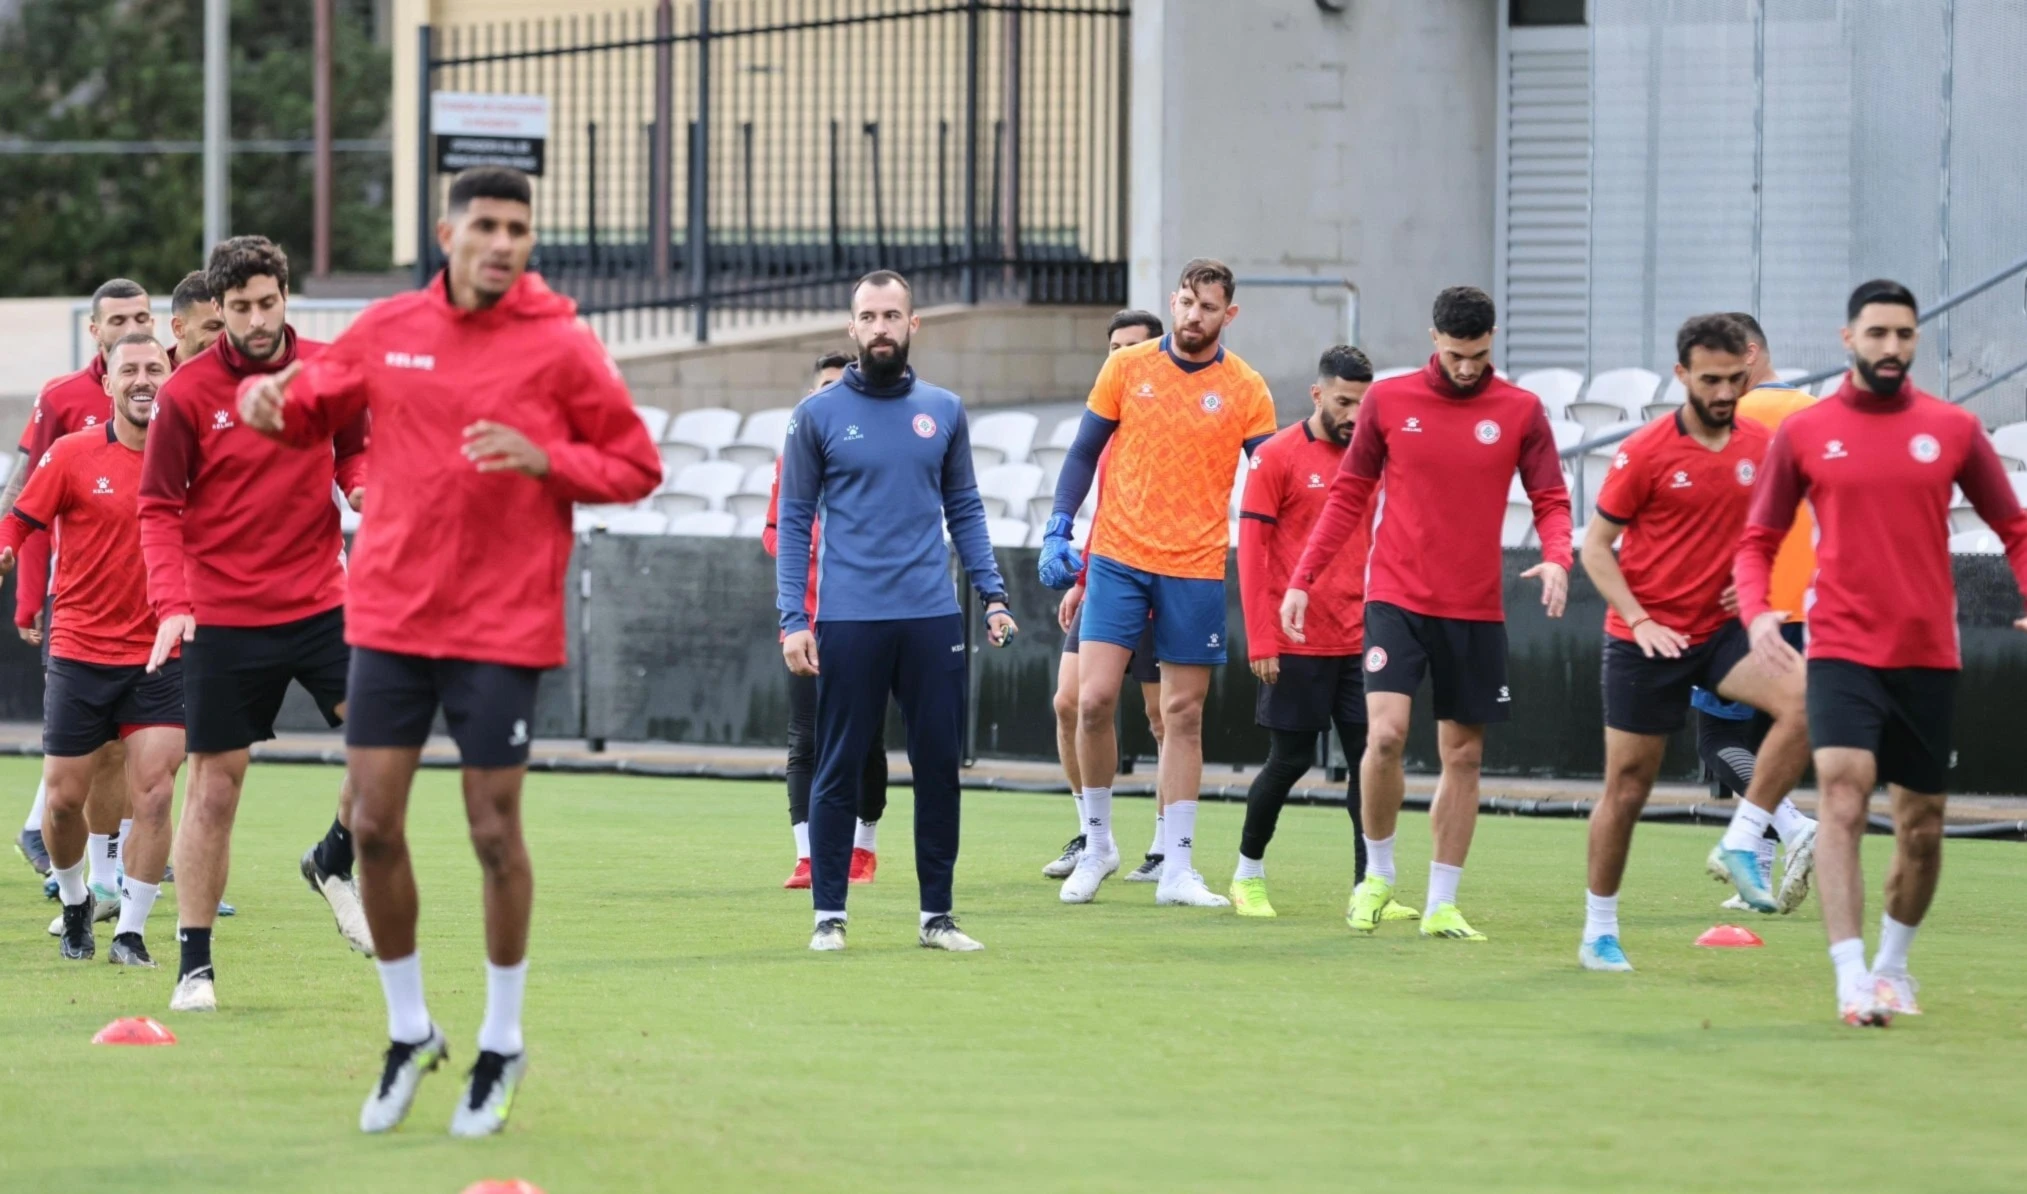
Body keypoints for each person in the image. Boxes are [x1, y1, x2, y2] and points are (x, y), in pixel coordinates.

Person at [241, 165, 660, 1132]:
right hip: (389, 615)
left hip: (500, 626)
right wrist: (274, 407)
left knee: (490, 829)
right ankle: (408, 1030)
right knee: (373, 827)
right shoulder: (391, 328)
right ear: (447, 234)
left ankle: (502, 1042)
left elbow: (637, 462)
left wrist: (546, 458)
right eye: (487, 226)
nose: (504, 242)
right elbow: (309, 403)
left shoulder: (560, 341)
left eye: (519, 227)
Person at [1736, 279, 2027, 1027]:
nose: (1890, 347)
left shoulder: (1953, 428)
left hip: (1926, 654)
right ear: (1848, 339)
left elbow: (2014, 528)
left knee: (1921, 825)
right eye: (1877, 334)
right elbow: (1756, 539)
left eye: (1903, 335)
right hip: (1838, 646)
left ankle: (1893, 966)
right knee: (1840, 789)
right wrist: (1757, 613)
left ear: (1914, 340)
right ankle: (1848, 978)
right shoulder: (1805, 433)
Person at [1282, 286, 1572, 942]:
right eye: (1453, 354)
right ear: (1432, 339)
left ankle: (1442, 901)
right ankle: (1377, 875)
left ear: (1491, 339)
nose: (1465, 368)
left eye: (1476, 355)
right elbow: (1349, 492)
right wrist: (1303, 579)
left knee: (1462, 755)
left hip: (1473, 607)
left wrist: (1557, 556)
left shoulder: (1520, 411)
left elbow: (1551, 497)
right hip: (1395, 596)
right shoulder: (1389, 398)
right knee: (1383, 736)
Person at [140, 236, 375, 1015]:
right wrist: (173, 605)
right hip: (225, 618)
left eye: (266, 303)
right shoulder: (185, 396)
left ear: (285, 297)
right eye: (237, 308)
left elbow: (356, 453)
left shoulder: (330, 371)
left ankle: (331, 860)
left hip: (322, 602)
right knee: (215, 790)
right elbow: (159, 510)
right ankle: (195, 968)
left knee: (386, 751)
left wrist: (365, 490)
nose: (255, 319)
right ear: (217, 311)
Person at [777, 269, 1016, 953]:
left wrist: (992, 594)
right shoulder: (815, 415)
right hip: (849, 619)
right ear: (851, 328)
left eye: (892, 315)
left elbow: (964, 508)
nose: (880, 327)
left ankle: (935, 916)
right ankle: (830, 914)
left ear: (914, 326)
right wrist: (793, 618)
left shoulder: (943, 409)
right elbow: (795, 522)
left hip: (930, 618)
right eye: (868, 316)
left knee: (938, 766)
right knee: (839, 765)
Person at [1574, 314, 1813, 972]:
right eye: (1709, 379)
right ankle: (1598, 929)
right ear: (1681, 375)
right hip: (1642, 639)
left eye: (1735, 379)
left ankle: (1744, 838)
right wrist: (1639, 618)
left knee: (1805, 702)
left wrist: (1752, 580)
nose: (1724, 392)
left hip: (1717, 632)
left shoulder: (1761, 446)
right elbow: (1594, 549)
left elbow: (1773, 529)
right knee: (1625, 790)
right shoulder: (1646, 451)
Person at [1042, 259, 1277, 909]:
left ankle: (1176, 868)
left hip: (1196, 565)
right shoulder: (1126, 366)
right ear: (1172, 301)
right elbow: (1084, 451)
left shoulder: (1247, 388)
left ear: (1227, 315)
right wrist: (1059, 524)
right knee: (1089, 702)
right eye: (1184, 302)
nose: (1192, 316)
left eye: (1207, 307)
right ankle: (1096, 845)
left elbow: (1272, 474)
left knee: (1180, 715)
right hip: (1117, 557)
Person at [0, 335, 186, 965]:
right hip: (80, 649)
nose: (142, 379)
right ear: (106, 382)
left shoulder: (194, 460)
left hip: (161, 650)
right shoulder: (72, 453)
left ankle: (130, 932)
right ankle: (77, 899)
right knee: (61, 801)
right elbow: (19, 522)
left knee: (156, 792)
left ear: (171, 376)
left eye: (153, 368)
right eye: (128, 369)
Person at [1230, 345, 1414, 923]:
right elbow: (1253, 554)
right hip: (1295, 639)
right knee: (1289, 760)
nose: (1355, 414)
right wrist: (1261, 637)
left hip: (1363, 637)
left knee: (1371, 759)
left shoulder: (1378, 459)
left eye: (1364, 403)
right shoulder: (1277, 456)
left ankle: (1371, 886)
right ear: (1317, 395)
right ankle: (1247, 875)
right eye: (1343, 401)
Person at [8, 279, 152, 898]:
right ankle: (50, 842)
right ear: (95, 330)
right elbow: (25, 499)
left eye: (143, 316)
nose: (130, 327)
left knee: (124, 757)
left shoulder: (171, 407)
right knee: (79, 751)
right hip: (78, 606)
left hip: (149, 616)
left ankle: (107, 875)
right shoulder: (63, 399)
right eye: (118, 319)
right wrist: (25, 594)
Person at [1697, 311, 1820, 909]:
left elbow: (1719, 512)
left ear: (1748, 356)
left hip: (1743, 602)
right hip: (1805, 602)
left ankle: (1797, 827)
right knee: (1773, 737)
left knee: (1717, 737)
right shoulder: (1815, 411)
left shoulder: (1738, 418)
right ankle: (1757, 880)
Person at [1044, 308, 1169, 885]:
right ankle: (1094, 837)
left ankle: (1167, 845)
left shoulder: (1171, 417)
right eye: (1112, 348)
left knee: (1162, 717)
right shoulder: (1107, 419)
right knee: (1070, 703)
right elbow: (1107, 510)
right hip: (1108, 576)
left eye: (1132, 348)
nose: (1120, 358)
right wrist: (1082, 576)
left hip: (1166, 576)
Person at [765, 350, 889, 890]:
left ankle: (863, 847)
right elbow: (773, 532)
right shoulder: (791, 458)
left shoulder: (878, 453)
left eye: (842, 384)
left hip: (866, 614)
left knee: (865, 739)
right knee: (805, 737)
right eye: (823, 387)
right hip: (807, 616)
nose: (830, 395)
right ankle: (808, 855)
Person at [169, 270, 227, 362]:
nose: (227, 337)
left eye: (231, 327)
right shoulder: (152, 374)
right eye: (214, 327)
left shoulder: (250, 373)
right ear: (178, 328)